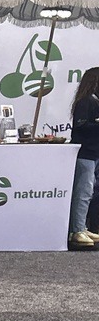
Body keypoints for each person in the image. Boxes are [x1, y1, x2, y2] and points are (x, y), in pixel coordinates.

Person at [66, 67, 99, 250]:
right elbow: (81, 126)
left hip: (94, 152)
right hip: (85, 152)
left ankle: (82, 227)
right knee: (83, 192)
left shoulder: (94, 101)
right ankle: (77, 229)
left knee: (90, 191)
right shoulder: (85, 102)